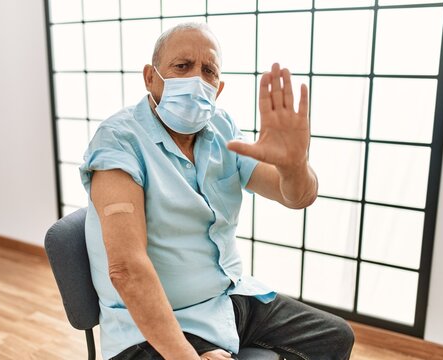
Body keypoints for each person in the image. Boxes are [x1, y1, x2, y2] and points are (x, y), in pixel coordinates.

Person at [80, 22, 354, 360]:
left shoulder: (222, 128)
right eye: (182, 67)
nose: (195, 79)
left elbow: (297, 197)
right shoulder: (119, 141)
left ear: (218, 87)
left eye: (207, 71)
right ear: (151, 77)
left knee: (335, 337)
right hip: (153, 322)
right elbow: (126, 268)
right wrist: (189, 356)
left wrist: (294, 164)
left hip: (225, 298)